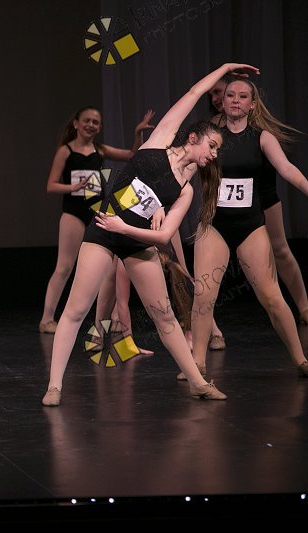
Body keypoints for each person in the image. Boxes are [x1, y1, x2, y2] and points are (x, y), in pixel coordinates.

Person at [40, 63, 255, 407]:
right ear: (193, 138)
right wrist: (226, 68)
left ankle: (198, 383)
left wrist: (125, 228)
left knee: (164, 315)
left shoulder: (185, 190)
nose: (214, 155)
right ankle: (54, 387)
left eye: (218, 151)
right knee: (76, 309)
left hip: (134, 240)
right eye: (212, 146)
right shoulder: (160, 142)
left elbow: (165, 235)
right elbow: (194, 93)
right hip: (103, 233)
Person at [188, 76, 308, 379]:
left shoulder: (262, 137)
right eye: (231, 95)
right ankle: (196, 365)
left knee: (271, 297)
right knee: (204, 295)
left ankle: (300, 359)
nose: (235, 100)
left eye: (243, 96)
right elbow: (184, 168)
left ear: (252, 104)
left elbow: (286, 169)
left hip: (251, 226)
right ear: (222, 101)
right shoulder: (211, 136)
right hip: (214, 225)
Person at [39, 107, 154, 334]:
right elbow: (51, 185)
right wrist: (73, 187)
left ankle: (105, 320)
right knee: (64, 267)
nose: (91, 125)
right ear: (76, 123)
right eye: (87, 121)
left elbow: (133, 155)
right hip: (73, 213)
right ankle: (47, 319)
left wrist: (137, 133)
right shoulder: (65, 151)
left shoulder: (100, 150)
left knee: (106, 269)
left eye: (96, 122)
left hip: (98, 213)